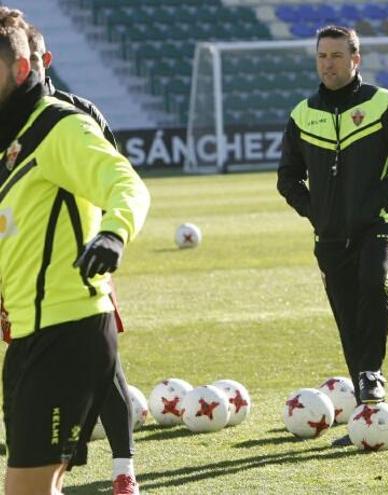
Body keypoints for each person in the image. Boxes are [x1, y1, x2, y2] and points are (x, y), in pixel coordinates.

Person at [0, 7, 150, 495]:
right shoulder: (9, 142)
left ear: (22, 69)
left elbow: (125, 183)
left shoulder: (60, 126)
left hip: (69, 330)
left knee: (27, 488)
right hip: (26, 336)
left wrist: (113, 233)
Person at [276, 25, 388, 446]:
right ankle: (364, 410)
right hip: (330, 236)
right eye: (322, 56)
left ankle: (371, 375)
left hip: (378, 223)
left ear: (355, 60)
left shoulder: (382, 104)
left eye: (337, 56)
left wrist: (378, 198)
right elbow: (287, 178)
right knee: (347, 317)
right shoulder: (303, 114)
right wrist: (317, 214)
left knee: (374, 286)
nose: (328, 63)